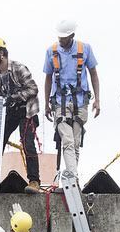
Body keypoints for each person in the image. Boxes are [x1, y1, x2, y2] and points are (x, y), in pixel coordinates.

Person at [43, 19, 100, 180]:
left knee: (75, 142)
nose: (61, 41)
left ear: (72, 36)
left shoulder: (85, 49)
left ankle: (70, 179)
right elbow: (48, 78)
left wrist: (98, 100)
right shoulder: (51, 51)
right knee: (67, 140)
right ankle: (73, 178)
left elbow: (94, 74)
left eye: (64, 38)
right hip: (59, 101)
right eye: (59, 38)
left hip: (80, 101)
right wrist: (46, 103)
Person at [0, 36, 41, 194]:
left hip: (26, 110)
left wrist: (14, 97)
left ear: (1, 53)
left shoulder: (19, 68)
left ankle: (34, 181)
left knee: (27, 142)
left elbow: (33, 89)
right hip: (9, 112)